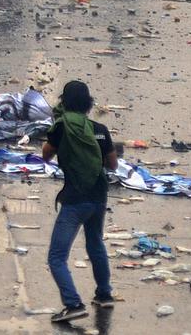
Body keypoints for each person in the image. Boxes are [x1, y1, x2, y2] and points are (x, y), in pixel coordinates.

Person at [41, 81, 118, 323]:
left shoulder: (62, 128)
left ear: (64, 103)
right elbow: (113, 164)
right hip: (98, 196)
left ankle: (73, 304)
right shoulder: (100, 129)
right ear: (88, 104)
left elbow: (46, 155)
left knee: (56, 256)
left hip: (75, 199)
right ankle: (104, 295)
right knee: (95, 243)